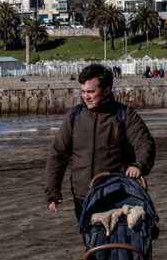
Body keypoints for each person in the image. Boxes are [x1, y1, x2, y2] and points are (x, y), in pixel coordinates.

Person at [44, 64, 156, 219]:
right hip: (84, 197)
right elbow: (57, 154)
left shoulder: (124, 115)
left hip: (118, 194)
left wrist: (139, 165)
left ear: (107, 89)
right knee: (93, 242)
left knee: (120, 242)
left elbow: (144, 143)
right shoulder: (74, 116)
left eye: (91, 91)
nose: (86, 96)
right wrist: (52, 193)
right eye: (83, 91)